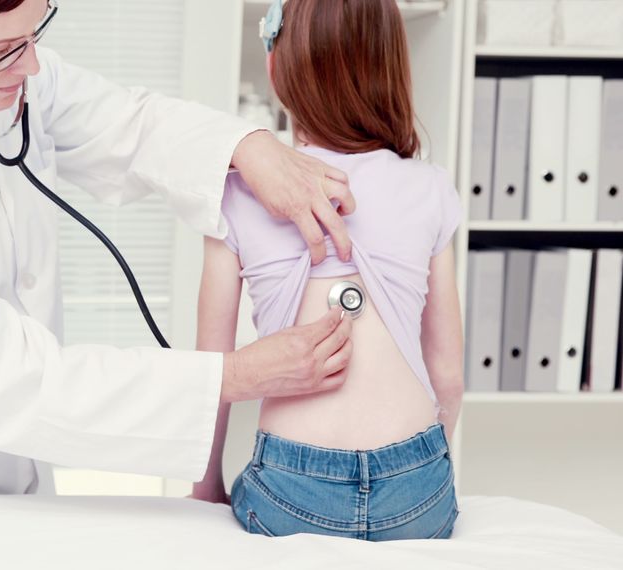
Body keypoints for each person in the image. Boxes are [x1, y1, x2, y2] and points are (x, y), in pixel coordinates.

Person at [0, 0, 356, 497]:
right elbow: (17, 383)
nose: (31, 64)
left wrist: (249, 146)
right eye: (6, 49)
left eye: (37, 32)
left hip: (23, 483)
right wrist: (237, 376)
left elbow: (131, 125)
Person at [190, 0, 464, 541]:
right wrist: (427, 473)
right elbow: (448, 377)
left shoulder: (236, 195)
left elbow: (212, 374)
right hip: (417, 484)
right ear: (391, 70)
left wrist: (205, 488)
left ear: (276, 68)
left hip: (291, 484)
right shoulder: (430, 188)